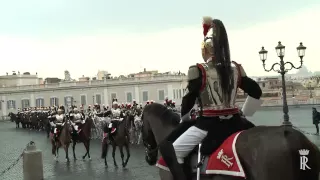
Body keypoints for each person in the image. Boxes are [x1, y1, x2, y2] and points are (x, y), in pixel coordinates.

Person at [158, 17, 263, 180]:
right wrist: (245, 113)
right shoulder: (236, 69)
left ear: (205, 50)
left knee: (174, 150)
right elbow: (256, 91)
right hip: (236, 122)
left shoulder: (199, 70)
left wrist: (184, 118)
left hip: (208, 125)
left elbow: (188, 99)